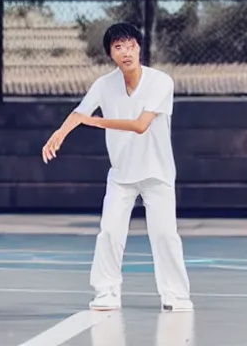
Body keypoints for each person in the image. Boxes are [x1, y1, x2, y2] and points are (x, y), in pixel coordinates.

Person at [43, 23, 192, 313]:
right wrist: (59, 134)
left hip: (157, 172)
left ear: (139, 48)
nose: (126, 52)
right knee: (109, 231)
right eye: (118, 47)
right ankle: (106, 292)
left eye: (130, 45)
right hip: (121, 172)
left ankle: (175, 294)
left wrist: (96, 122)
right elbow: (79, 112)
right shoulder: (104, 84)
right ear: (111, 53)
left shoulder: (161, 82)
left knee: (164, 234)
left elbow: (139, 125)